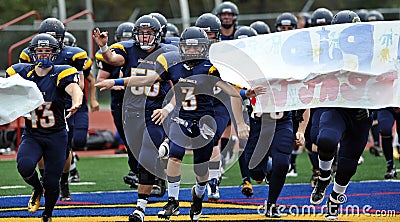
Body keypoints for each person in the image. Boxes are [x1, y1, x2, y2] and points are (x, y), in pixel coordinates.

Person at [96, 26, 254, 222]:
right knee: (175, 155)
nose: (192, 51)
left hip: (205, 121)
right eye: (189, 47)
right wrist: (115, 82)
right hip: (182, 119)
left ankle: (199, 194)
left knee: (201, 170)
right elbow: (147, 79)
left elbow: (230, 91)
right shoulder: (174, 65)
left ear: (204, 48)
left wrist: (242, 109)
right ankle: (173, 200)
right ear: (181, 48)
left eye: (197, 48)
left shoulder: (212, 67)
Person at [93, 14, 178, 222]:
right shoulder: (128, 49)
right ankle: (146, 202)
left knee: (150, 155)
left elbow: (179, 87)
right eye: (141, 33)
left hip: (155, 112)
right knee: (141, 161)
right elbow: (112, 59)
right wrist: (104, 47)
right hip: (131, 112)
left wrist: (169, 108)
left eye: (149, 33)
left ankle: (142, 208)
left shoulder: (168, 52)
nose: (145, 38)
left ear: (158, 35)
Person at [7, 33, 83, 222]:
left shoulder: (61, 72)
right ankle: (37, 188)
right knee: (24, 166)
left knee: (52, 181)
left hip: (56, 136)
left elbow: (75, 88)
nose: (42, 55)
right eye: (39, 51)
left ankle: (47, 214)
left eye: (47, 52)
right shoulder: (23, 72)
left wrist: (77, 101)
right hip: (32, 133)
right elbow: (4, 83)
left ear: (54, 54)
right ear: (33, 53)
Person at [309, 10, 373, 220]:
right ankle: (324, 176)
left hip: (362, 112)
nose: (350, 37)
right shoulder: (326, 52)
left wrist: (373, 103)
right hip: (336, 105)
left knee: (348, 166)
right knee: (325, 140)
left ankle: (335, 200)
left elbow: (385, 79)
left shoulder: (373, 51)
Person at [19, 17, 91, 201]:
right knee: (39, 147)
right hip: (40, 105)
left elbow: (79, 84)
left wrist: (72, 96)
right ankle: (44, 181)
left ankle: (64, 181)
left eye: (54, 38)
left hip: (63, 105)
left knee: (65, 149)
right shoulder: (28, 55)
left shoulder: (72, 55)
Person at [95, 21, 141, 189]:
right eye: (123, 39)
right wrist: (117, 84)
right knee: (128, 139)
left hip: (141, 101)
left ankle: (145, 172)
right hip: (120, 101)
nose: (126, 43)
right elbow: (100, 80)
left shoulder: (142, 53)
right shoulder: (111, 56)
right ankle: (135, 170)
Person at [63, 31, 100, 183]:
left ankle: (71, 158)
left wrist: (93, 100)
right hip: (61, 105)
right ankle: (71, 170)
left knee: (79, 141)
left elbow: (91, 79)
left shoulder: (79, 62)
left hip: (79, 105)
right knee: (63, 141)